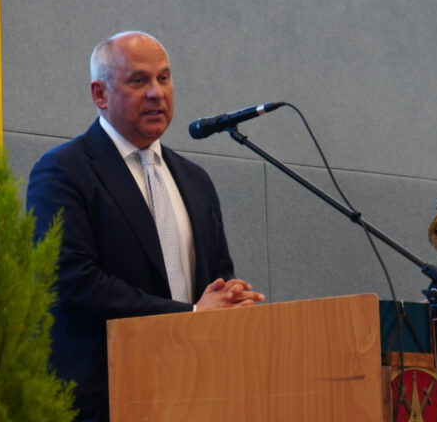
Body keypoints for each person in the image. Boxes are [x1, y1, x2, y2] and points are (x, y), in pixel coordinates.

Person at [27, 31, 265, 422]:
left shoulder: (195, 179)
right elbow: (74, 282)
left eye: (164, 78)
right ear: (100, 94)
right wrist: (190, 314)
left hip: (195, 388)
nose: (156, 93)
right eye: (138, 81)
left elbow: (217, 275)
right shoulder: (63, 171)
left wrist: (230, 296)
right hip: (104, 396)